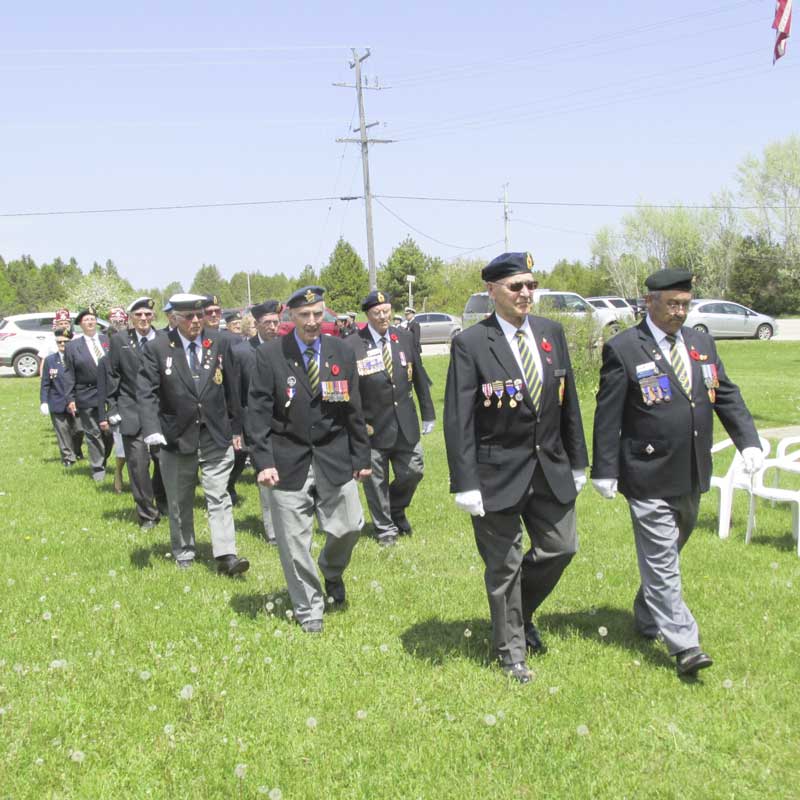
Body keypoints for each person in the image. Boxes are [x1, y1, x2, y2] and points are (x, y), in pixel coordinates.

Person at [591, 269, 763, 677]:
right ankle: (685, 645)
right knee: (662, 558)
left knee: (668, 551)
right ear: (649, 302)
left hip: (691, 469)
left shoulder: (701, 343)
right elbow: (608, 413)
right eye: (671, 304)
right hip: (647, 471)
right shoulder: (624, 348)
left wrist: (749, 441)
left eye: (685, 304)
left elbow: (725, 394)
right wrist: (604, 469)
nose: (679, 312)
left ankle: (647, 614)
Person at [444, 252, 589, 684]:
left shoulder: (550, 333)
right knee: (504, 566)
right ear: (492, 291)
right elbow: (459, 417)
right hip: (496, 473)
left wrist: (578, 460)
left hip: (549, 468)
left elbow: (567, 401)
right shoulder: (472, 343)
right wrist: (466, 482)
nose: (526, 293)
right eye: (516, 286)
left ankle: (517, 616)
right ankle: (511, 652)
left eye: (531, 285)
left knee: (562, 547)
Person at [248, 286, 371, 633]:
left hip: (334, 455)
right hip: (287, 459)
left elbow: (354, 408)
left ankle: (331, 570)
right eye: (305, 315)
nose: (313, 321)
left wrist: (361, 455)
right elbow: (257, 413)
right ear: (291, 317)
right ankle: (309, 609)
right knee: (294, 542)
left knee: (351, 526)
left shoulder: (341, 351)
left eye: (318, 314)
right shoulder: (270, 355)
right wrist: (263, 462)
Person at [138, 293, 249, 575]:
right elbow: (147, 392)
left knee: (218, 494)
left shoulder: (219, 341)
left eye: (200, 315)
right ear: (175, 318)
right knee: (179, 499)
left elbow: (231, 387)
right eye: (189, 317)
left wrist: (236, 427)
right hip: (176, 435)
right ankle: (184, 550)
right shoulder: (158, 347)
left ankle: (227, 554)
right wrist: (151, 429)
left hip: (215, 432)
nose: (196, 321)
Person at [344, 290, 435, 546]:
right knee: (376, 482)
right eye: (377, 313)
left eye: (386, 311)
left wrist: (428, 413)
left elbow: (419, 376)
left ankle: (396, 508)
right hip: (371, 426)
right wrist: (353, 425)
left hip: (405, 422)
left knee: (413, 471)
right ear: (367, 315)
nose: (383, 316)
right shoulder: (352, 344)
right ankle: (385, 529)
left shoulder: (403, 337)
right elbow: (350, 391)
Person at [98, 297, 166, 529]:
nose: (143, 319)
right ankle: (147, 514)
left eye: (147, 314)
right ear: (130, 318)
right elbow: (113, 375)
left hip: (160, 410)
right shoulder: (120, 340)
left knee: (163, 460)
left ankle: (162, 501)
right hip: (131, 408)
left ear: (153, 316)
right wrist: (112, 407)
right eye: (138, 315)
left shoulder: (164, 339)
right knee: (137, 464)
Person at [230, 299, 283, 542]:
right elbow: (235, 394)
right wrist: (238, 429)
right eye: (267, 323)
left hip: (284, 422)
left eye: (276, 322)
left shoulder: (285, 348)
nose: (273, 327)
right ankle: (273, 532)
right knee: (266, 474)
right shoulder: (242, 352)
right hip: (255, 423)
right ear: (257, 324)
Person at [63, 306, 113, 481]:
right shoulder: (72, 346)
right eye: (86, 320)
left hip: (110, 392)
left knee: (109, 433)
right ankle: (98, 467)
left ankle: (103, 457)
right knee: (93, 432)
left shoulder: (107, 340)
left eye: (92, 319)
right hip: (86, 393)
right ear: (80, 324)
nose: (90, 322)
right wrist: (70, 398)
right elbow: (69, 374)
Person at [40, 328, 83, 466]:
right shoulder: (50, 360)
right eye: (59, 342)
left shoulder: (78, 358)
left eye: (66, 342)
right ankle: (68, 458)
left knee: (79, 429)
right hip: (57, 401)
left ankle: (76, 450)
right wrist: (44, 401)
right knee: (62, 431)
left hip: (76, 402)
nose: (62, 344)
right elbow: (45, 383)